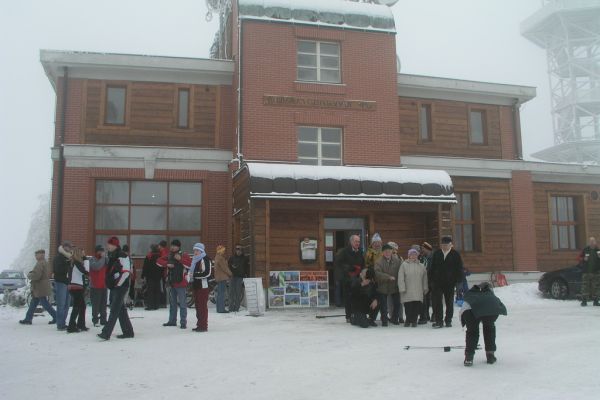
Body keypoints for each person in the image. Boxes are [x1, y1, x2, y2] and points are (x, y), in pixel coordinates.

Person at [460, 282, 507, 366]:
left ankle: (469, 358)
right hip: (490, 310)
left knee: (472, 332)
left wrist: (464, 323)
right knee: (489, 329)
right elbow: (499, 306)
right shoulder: (490, 295)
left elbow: (463, 311)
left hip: (469, 311)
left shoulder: (470, 295)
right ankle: (490, 355)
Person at [98, 236, 134, 340]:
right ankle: (128, 332)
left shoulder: (122, 256)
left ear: (115, 245)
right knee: (121, 310)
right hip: (115, 286)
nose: (107, 246)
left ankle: (106, 333)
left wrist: (118, 284)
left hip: (120, 287)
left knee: (114, 310)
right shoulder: (112, 255)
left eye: (109, 244)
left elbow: (126, 272)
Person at [430, 236, 463, 328]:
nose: (444, 246)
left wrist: (459, 282)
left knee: (449, 302)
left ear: (450, 245)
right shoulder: (437, 253)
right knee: (437, 302)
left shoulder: (455, 254)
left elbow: (459, 269)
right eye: (443, 245)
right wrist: (431, 280)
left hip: (450, 283)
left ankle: (448, 320)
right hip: (437, 283)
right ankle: (439, 321)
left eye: (446, 245)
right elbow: (432, 267)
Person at [158, 239, 191, 328]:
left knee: (183, 304)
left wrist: (180, 259)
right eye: (172, 245)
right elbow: (158, 261)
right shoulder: (169, 255)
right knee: (172, 304)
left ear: (178, 247)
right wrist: (167, 264)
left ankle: (183, 322)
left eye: (174, 246)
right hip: (172, 283)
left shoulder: (184, 255)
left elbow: (189, 265)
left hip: (181, 284)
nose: (172, 247)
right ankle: (172, 321)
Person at [19, 250, 57, 325]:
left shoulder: (40, 263)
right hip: (42, 285)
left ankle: (56, 316)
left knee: (44, 303)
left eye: (36, 255)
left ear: (41, 255)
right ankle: (28, 318)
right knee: (34, 302)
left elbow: (37, 275)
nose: (35, 256)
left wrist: (30, 275)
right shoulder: (45, 263)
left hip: (40, 286)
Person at [334, 235, 365, 323]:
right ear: (351, 242)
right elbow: (338, 262)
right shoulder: (344, 251)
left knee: (357, 296)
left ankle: (356, 313)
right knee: (348, 297)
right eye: (356, 241)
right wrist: (349, 268)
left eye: (358, 241)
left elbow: (363, 263)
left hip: (358, 278)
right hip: (347, 278)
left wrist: (362, 271)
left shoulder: (360, 251)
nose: (357, 243)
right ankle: (348, 316)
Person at [398, 248, 429, 327]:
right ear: (409, 256)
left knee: (416, 306)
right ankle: (408, 320)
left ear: (417, 256)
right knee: (408, 306)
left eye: (415, 254)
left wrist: (425, 288)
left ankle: (414, 320)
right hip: (407, 290)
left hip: (418, 290)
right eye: (411, 254)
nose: (413, 256)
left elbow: (424, 278)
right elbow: (400, 277)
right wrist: (402, 288)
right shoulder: (404, 265)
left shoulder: (421, 266)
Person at [374, 244, 401, 326]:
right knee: (383, 306)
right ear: (382, 252)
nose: (387, 253)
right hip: (383, 286)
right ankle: (384, 320)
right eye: (385, 251)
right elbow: (377, 273)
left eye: (389, 251)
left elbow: (401, 271)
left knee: (397, 303)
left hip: (394, 285)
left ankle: (395, 319)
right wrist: (388, 277)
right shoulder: (378, 262)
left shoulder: (397, 261)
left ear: (392, 252)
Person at [188, 243, 212, 332]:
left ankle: (203, 326)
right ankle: (199, 324)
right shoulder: (195, 260)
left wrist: (193, 275)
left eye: (197, 250)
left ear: (201, 251)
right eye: (194, 250)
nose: (195, 252)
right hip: (196, 286)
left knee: (202, 307)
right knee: (198, 306)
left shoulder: (205, 259)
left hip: (203, 286)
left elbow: (207, 273)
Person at [66, 247, 89, 333]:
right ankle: (71, 326)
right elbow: (86, 271)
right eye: (82, 253)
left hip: (74, 286)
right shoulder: (77, 263)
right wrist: (86, 260)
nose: (84, 254)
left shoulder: (73, 262)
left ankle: (80, 324)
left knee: (81, 306)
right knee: (77, 307)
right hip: (77, 287)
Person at [53, 240, 73, 331]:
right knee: (61, 304)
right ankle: (60, 324)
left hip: (68, 282)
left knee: (67, 304)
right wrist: (67, 264)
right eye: (68, 247)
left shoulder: (70, 258)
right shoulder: (59, 257)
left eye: (70, 247)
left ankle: (63, 322)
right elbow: (58, 270)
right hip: (61, 282)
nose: (69, 248)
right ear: (64, 247)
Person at [88, 245, 108, 326]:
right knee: (95, 304)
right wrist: (103, 258)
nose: (102, 253)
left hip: (104, 285)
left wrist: (106, 258)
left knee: (103, 304)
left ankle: (103, 319)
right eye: (100, 251)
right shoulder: (92, 260)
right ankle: (95, 320)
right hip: (95, 285)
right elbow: (97, 267)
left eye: (102, 251)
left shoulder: (105, 260)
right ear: (97, 251)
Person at [580, 237, 600, 306]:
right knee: (585, 287)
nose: (592, 243)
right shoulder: (585, 249)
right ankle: (584, 301)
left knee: (596, 287)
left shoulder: (598, 250)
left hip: (596, 272)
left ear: (595, 242)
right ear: (589, 242)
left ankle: (596, 301)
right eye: (591, 241)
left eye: (593, 241)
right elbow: (579, 257)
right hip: (586, 272)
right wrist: (583, 259)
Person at [228, 244, 249, 312]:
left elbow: (247, 269)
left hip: (240, 278)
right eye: (237, 249)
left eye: (240, 249)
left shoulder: (245, 258)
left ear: (242, 250)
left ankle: (236, 308)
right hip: (232, 277)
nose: (238, 250)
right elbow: (228, 267)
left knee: (238, 293)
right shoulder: (231, 258)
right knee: (231, 293)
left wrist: (247, 277)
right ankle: (231, 308)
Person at [142, 244, 162, 311]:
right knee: (157, 290)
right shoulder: (159, 256)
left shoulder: (149, 256)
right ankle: (156, 305)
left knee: (150, 291)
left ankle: (150, 305)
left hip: (150, 276)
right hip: (158, 276)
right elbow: (162, 266)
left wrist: (143, 275)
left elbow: (145, 267)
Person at [418, 241, 434, 324]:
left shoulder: (434, 257)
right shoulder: (421, 257)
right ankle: (425, 315)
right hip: (424, 281)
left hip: (433, 280)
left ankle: (434, 315)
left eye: (423, 248)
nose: (422, 250)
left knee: (434, 299)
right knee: (425, 299)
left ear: (428, 249)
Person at [214, 245, 232, 313]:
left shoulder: (216, 257)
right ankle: (221, 309)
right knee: (221, 294)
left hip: (219, 277)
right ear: (220, 251)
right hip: (222, 277)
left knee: (219, 294)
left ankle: (219, 309)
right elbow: (225, 268)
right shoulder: (220, 258)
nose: (224, 252)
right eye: (223, 250)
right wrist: (230, 273)